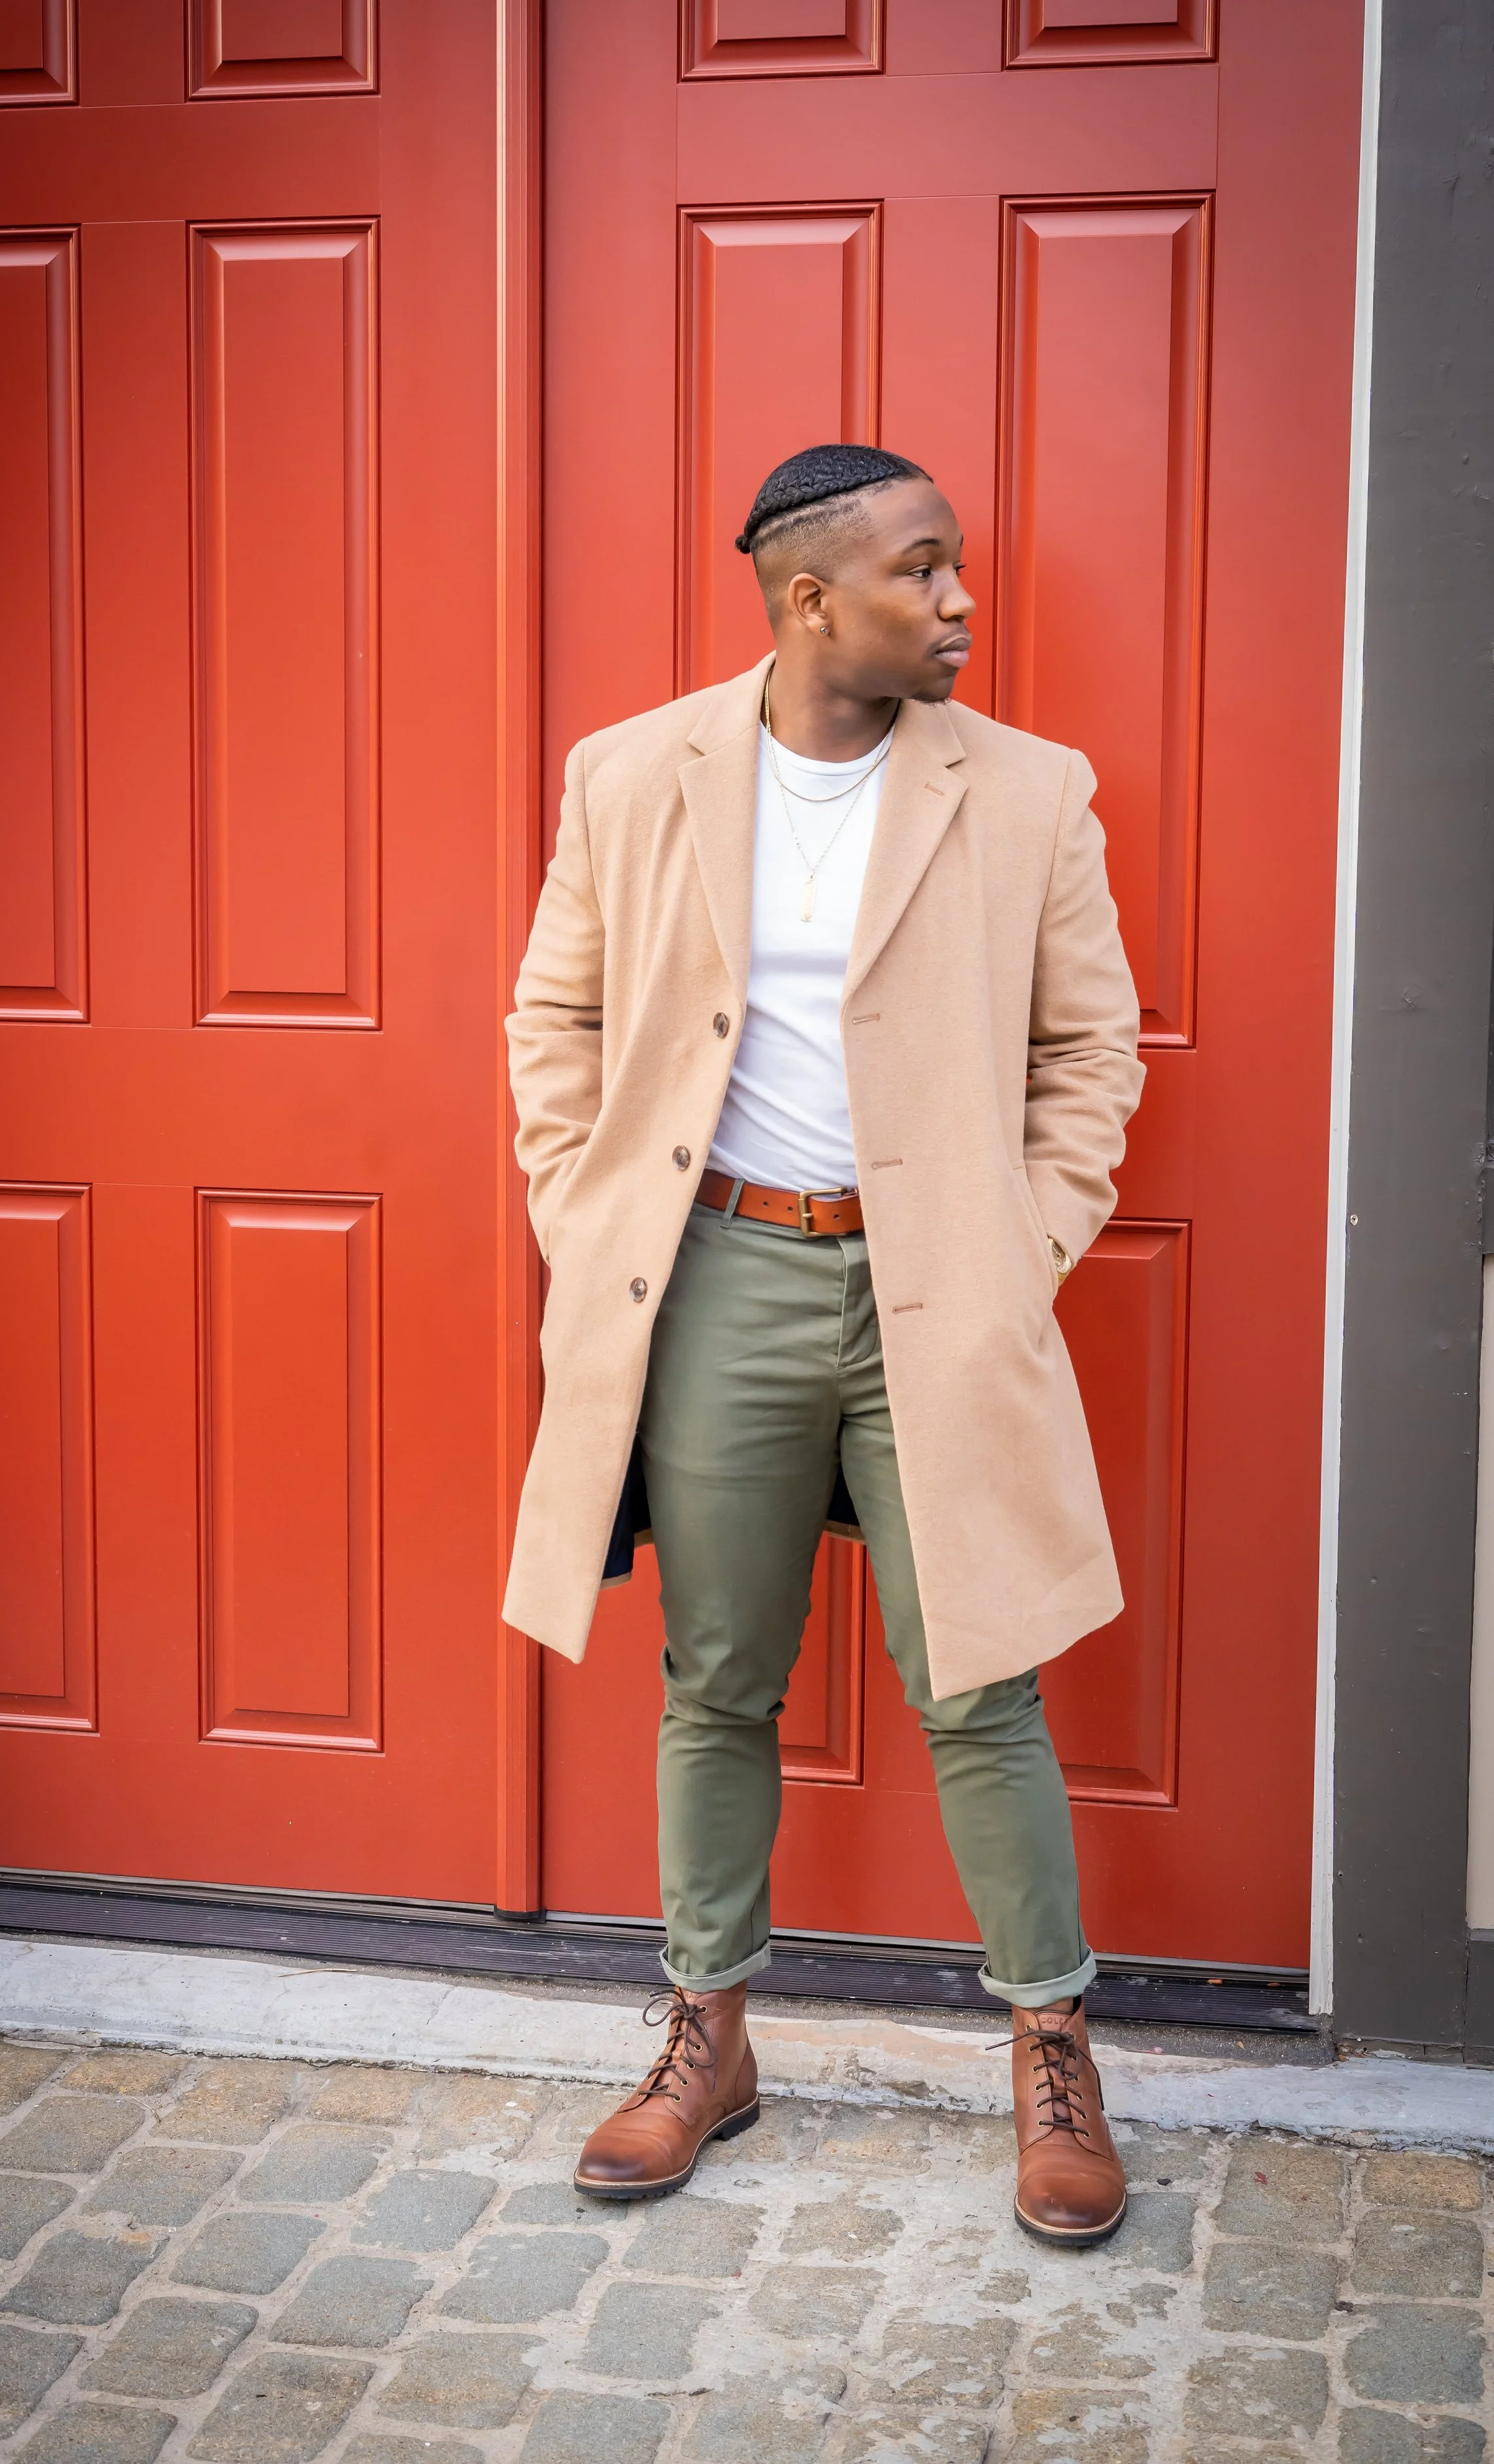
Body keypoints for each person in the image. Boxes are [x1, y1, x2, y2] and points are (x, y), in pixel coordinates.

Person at [504, 444, 1144, 2243]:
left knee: (977, 1673)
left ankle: (1050, 2047)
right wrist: (588, 1213)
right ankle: (708, 2030)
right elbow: (550, 1015)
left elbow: (1092, 1052)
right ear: (808, 599)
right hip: (715, 1280)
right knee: (716, 1672)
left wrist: (1019, 1246)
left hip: (938, 1291)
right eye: (920, 572)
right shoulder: (634, 772)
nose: (957, 603)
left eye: (955, 571)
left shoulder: (1027, 791)